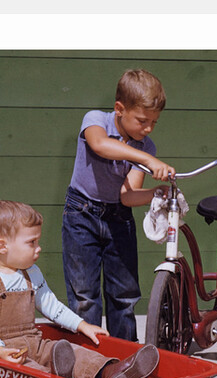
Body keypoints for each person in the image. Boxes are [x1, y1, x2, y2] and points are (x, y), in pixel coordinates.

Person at [0, 200, 159, 378]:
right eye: (31, 242)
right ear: (2, 246)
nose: (38, 247)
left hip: (32, 341)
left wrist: (82, 325)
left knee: (73, 353)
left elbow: (52, 306)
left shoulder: (30, 272)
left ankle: (111, 372)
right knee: (32, 372)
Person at [61, 69, 175, 342]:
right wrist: (148, 161)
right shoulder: (95, 120)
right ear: (119, 109)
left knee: (124, 295)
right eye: (142, 120)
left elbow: (128, 195)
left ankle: (124, 356)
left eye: (154, 123)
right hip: (81, 214)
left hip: (119, 218)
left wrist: (154, 193)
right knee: (84, 296)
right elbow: (100, 145)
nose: (147, 129)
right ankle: (86, 357)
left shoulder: (146, 146)